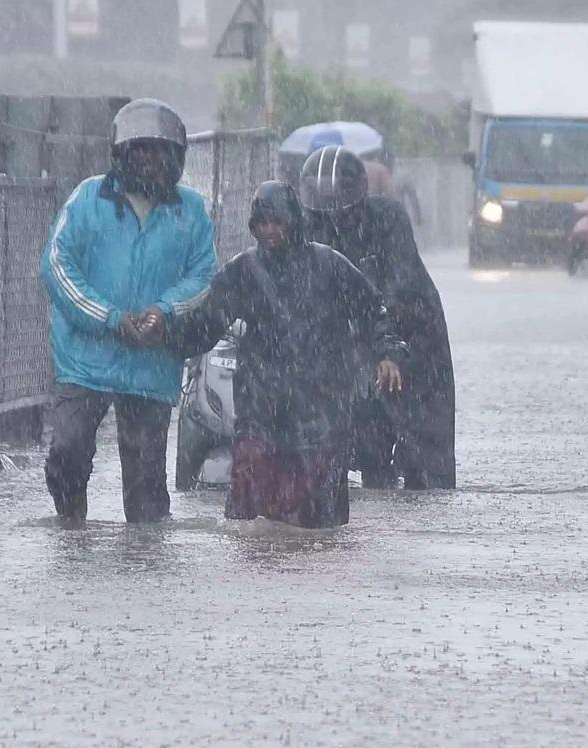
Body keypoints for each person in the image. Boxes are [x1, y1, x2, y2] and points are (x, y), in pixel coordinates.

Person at [161, 182, 405, 529]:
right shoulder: (243, 271)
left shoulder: (329, 265)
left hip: (322, 415)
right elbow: (204, 326)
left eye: (276, 222)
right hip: (261, 411)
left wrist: (388, 353)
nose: (269, 231)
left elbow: (373, 310)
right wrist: (165, 336)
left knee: (323, 527)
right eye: (261, 224)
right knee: (249, 523)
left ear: (294, 221)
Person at [40, 98, 217, 527]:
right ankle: (70, 530)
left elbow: (204, 276)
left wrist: (163, 312)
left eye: (161, 153)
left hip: (151, 363)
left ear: (176, 159)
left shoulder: (191, 211)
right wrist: (109, 318)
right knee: (68, 451)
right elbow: (58, 265)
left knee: (146, 489)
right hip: (86, 359)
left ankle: (145, 568)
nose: (151, 162)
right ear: (120, 155)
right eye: (140, 151)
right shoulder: (86, 198)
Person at [298, 144, 457, 489]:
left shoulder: (389, 218)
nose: (335, 222)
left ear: (360, 202)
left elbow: (398, 285)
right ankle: (373, 484)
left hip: (414, 332)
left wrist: (384, 344)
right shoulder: (308, 226)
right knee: (360, 432)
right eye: (326, 215)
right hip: (356, 337)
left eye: (344, 213)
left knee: (424, 448)